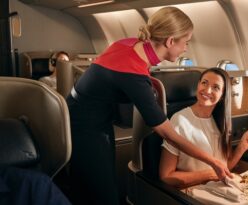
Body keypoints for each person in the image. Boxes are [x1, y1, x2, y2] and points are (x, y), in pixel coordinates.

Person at [65, 7, 231, 205]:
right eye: (185, 42)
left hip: (93, 115)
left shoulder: (131, 44)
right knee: (102, 194)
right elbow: (168, 133)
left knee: (97, 184)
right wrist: (212, 161)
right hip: (84, 125)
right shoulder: (134, 75)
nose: (186, 48)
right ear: (170, 41)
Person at [159, 68, 248, 189]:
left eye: (216, 87)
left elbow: (223, 169)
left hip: (217, 189)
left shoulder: (220, 122)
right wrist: (210, 174)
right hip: (191, 192)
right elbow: (166, 177)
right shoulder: (179, 120)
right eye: (204, 83)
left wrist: (242, 146)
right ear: (198, 84)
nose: (207, 90)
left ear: (222, 95)